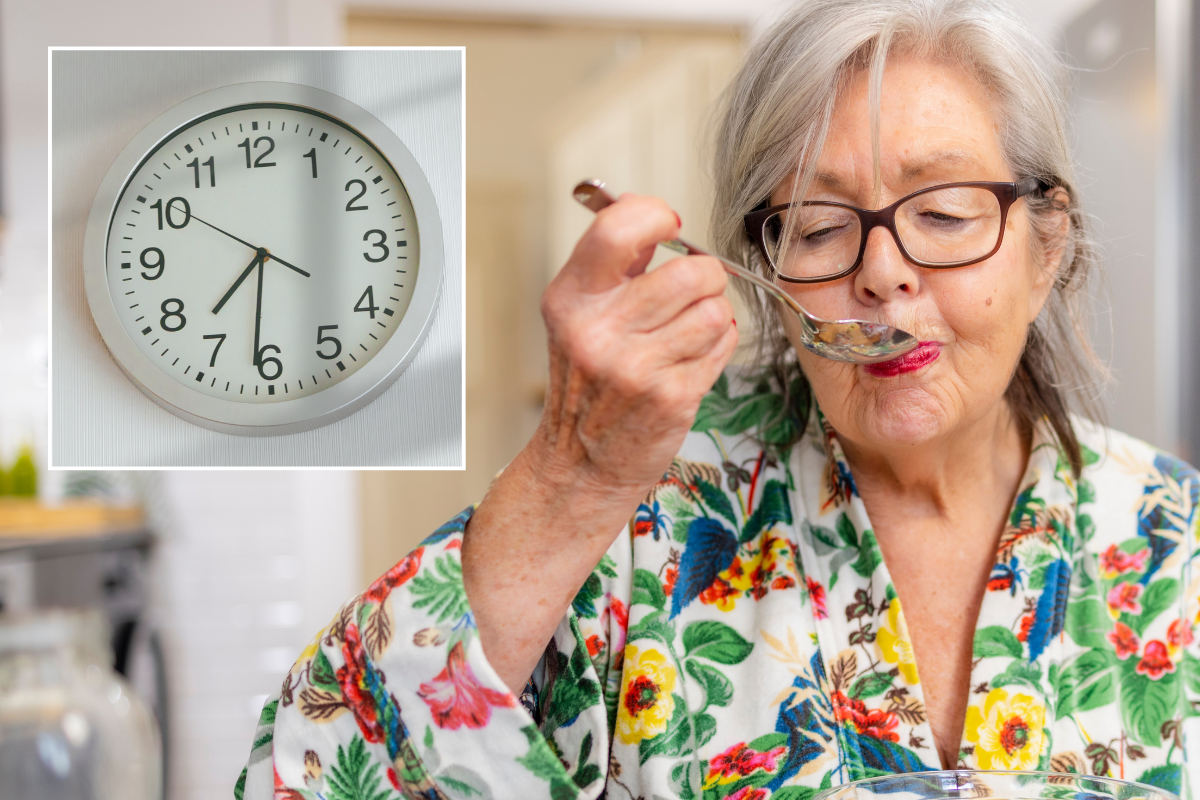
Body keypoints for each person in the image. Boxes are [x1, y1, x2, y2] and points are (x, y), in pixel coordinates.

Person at [238, 0, 1200, 797]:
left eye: (943, 213)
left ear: (1048, 248)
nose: (881, 273)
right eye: (818, 229)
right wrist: (572, 472)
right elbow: (311, 772)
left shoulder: (1172, 538)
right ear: (762, 269)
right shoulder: (642, 516)